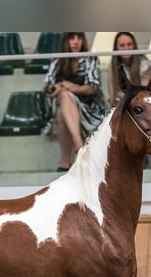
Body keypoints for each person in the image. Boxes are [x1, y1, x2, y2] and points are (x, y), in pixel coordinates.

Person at [43, 32, 107, 172]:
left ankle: (67, 158)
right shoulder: (58, 60)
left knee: (64, 99)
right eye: (72, 38)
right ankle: (79, 150)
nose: (76, 42)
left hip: (89, 107)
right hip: (64, 106)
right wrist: (55, 88)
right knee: (62, 105)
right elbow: (47, 86)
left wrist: (69, 86)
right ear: (66, 41)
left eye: (79, 38)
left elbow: (92, 88)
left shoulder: (90, 58)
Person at [106, 32, 151, 108]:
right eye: (122, 45)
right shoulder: (112, 66)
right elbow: (113, 94)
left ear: (134, 46)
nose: (126, 48)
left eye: (129, 44)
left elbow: (145, 94)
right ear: (116, 48)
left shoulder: (146, 65)